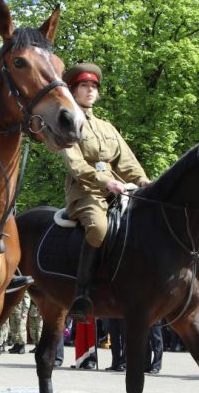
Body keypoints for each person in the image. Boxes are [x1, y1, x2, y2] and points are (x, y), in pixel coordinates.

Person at [60, 61, 149, 321]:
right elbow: (74, 163)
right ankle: (81, 293)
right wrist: (104, 181)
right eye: (84, 86)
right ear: (73, 90)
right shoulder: (67, 120)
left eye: (94, 86)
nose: (90, 91)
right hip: (85, 192)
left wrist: (144, 181)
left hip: (117, 190)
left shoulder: (107, 127)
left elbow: (127, 161)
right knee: (99, 228)